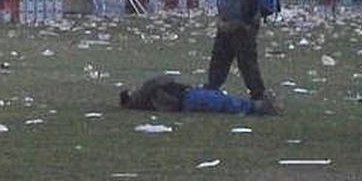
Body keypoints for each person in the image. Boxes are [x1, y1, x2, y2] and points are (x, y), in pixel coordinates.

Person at [205, 0, 267, 100]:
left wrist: (243, 22)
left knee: (246, 62)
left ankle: (258, 94)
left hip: (243, 25)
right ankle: (212, 87)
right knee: (219, 58)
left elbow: (253, 0)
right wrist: (221, 19)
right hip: (226, 23)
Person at [119, 75, 280, 115]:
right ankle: (259, 107)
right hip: (188, 99)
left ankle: (258, 106)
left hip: (189, 95)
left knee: (221, 99)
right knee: (222, 102)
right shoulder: (146, 96)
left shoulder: (148, 94)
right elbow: (163, 82)